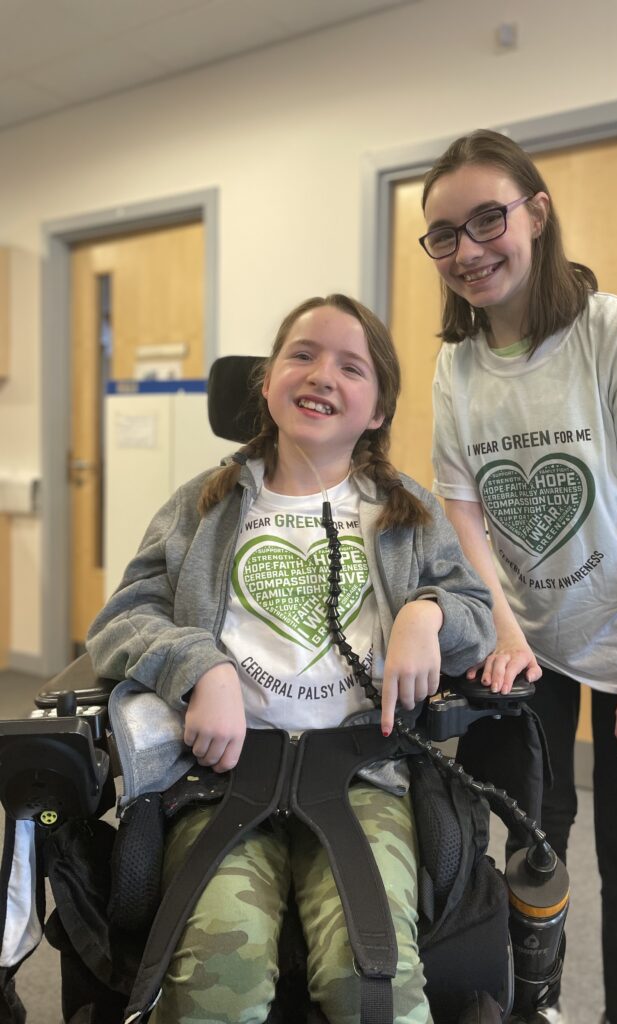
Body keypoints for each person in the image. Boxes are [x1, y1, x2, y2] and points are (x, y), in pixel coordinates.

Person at [86, 294, 496, 1024]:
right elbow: (120, 621)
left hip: (363, 774)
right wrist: (199, 667)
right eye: (302, 354)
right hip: (220, 778)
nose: (322, 374)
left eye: (351, 365)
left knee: (370, 977)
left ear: (377, 410)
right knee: (219, 974)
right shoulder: (200, 507)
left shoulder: (408, 513)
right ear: (267, 382)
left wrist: (426, 614)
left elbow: (478, 617)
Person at [418, 130, 617, 1024]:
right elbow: (464, 507)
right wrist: (508, 632)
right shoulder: (456, 367)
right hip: (530, 641)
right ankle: (533, 1008)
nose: (468, 250)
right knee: (533, 842)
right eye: (444, 234)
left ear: (536, 214)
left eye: (487, 220)